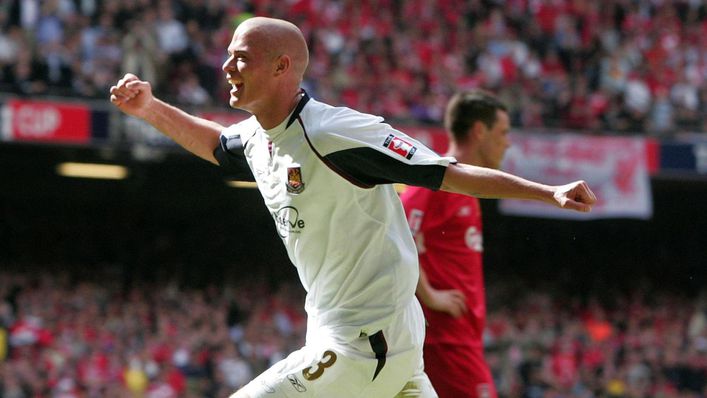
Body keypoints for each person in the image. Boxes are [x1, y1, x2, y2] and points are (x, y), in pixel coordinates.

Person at [109, 16, 596, 398]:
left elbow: (448, 173)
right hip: (371, 337)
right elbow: (218, 145)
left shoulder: (337, 133)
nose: (226, 67)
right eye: (228, 56)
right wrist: (149, 108)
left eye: (241, 58)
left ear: (282, 66)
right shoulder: (259, 137)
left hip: (366, 342)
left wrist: (547, 191)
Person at [399, 90, 510, 398]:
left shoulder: (463, 188)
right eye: (503, 133)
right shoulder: (437, 181)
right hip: (445, 340)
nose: (508, 142)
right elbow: (396, 235)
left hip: (460, 338)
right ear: (479, 131)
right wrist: (430, 295)